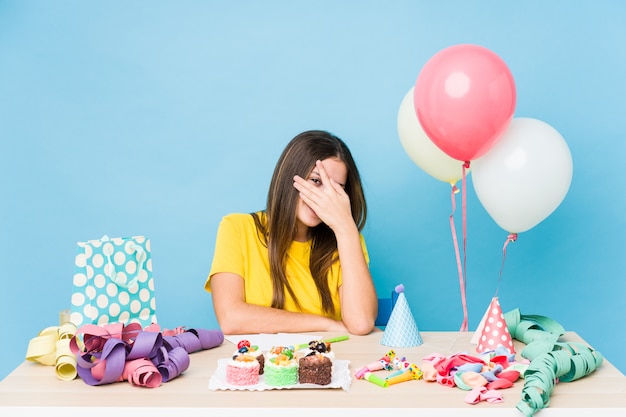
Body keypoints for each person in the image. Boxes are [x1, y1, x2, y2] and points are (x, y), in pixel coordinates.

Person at [205, 130, 378, 336]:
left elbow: (361, 323)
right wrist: (327, 323)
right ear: (290, 177)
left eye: (336, 189)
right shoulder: (236, 228)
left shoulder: (347, 240)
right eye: (316, 181)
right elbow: (231, 318)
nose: (325, 197)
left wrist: (346, 229)